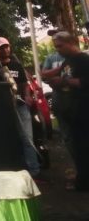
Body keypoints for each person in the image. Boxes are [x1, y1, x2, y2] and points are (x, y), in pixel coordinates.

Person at [44, 31, 89, 191]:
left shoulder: (83, 60)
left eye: (60, 46)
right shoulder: (67, 61)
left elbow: (84, 82)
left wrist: (64, 82)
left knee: (84, 147)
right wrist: (56, 81)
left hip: (84, 111)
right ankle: (82, 178)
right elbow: (52, 75)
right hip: (72, 112)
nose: (58, 50)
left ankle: (84, 184)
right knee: (78, 148)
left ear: (70, 43)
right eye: (56, 47)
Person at [0, 36, 41, 177]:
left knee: (27, 138)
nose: (5, 50)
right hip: (2, 109)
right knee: (6, 137)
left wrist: (27, 95)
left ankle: (34, 170)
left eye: (7, 46)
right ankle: (11, 168)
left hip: (20, 105)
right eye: (1, 48)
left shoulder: (16, 65)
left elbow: (25, 84)